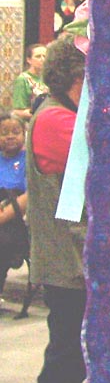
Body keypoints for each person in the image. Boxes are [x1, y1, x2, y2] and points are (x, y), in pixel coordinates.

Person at [24, 34, 89, 383]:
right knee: (66, 357)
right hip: (66, 262)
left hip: (80, 260)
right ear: (72, 79)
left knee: (82, 356)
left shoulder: (66, 116)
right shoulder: (55, 121)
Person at [0, 114, 29, 297]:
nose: (10, 136)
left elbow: (29, 197)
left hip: (16, 217)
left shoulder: (28, 160)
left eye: (15, 132)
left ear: (24, 133)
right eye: (4, 133)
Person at [11, 43, 48, 122]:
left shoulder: (49, 78)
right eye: (38, 56)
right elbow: (17, 111)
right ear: (29, 60)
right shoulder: (23, 79)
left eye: (44, 56)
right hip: (30, 123)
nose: (42, 59)